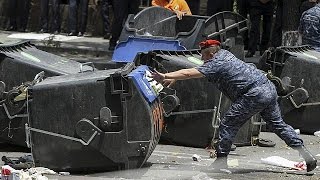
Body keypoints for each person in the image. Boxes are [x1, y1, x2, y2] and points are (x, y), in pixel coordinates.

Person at [151, 39, 317, 172]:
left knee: (228, 123)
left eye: (203, 55)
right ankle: (307, 155)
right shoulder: (224, 55)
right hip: (267, 88)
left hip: (254, 94)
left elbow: (189, 73)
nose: (202, 59)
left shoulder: (216, 63)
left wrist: (165, 74)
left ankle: (221, 161)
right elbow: (195, 70)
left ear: (210, 54)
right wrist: (172, 78)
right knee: (278, 125)